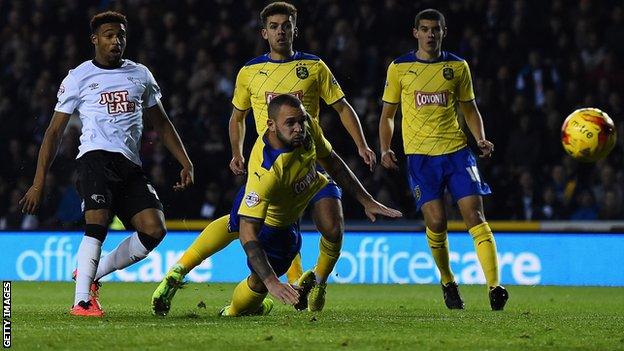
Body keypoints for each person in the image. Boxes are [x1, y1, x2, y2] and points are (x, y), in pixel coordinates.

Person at [152, 1, 376, 314]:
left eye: (286, 25)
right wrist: (236, 152)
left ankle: (315, 282)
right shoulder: (249, 72)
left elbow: (341, 107)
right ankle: (187, 271)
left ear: (295, 28)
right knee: (243, 225)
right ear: (264, 33)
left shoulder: (314, 67)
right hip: (270, 164)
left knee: (329, 225)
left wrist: (362, 145)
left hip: (311, 161)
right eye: (274, 26)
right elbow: (237, 116)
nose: (281, 31)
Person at [157, 94, 400, 317]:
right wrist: (273, 281)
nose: (299, 128)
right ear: (271, 125)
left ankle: (318, 282)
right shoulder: (266, 172)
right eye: (291, 123)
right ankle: (231, 310)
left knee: (333, 228)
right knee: (259, 279)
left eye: (301, 120)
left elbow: (332, 160)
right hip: (277, 219)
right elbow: (247, 233)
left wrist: (366, 200)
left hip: (309, 180)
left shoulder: (306, 128)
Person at [19, 11, 194, 317]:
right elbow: (54, 132)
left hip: (129, 164)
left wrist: (185, 161)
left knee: (154, 230)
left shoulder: (140, 75)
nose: (117, 41)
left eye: (121, 35)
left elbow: (163, 124)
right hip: (94, 158)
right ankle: (82, 301)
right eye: (110, 35)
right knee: (97, 223)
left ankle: (92, 272)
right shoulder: (78, 77)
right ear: (95, 39)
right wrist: (37, 182)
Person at [378, 9, 509, 310]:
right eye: (424, 29)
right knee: (436, 221)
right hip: (421, 157)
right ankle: (448, 281)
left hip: (457, 153)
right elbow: (388, 115)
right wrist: (385, 148)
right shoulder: (399, 68)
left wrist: (480, 138)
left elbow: (469, 108)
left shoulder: (457, 67)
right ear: (416, 33)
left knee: (475, 216)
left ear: (443, 32)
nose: (430, 34)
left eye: (435, 29)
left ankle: (495, 286)